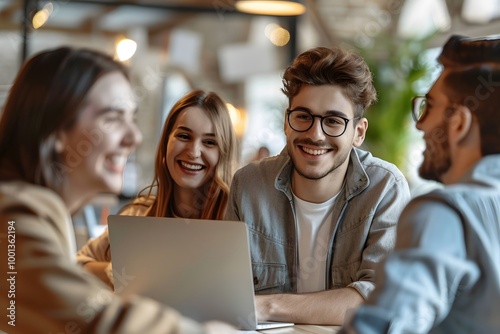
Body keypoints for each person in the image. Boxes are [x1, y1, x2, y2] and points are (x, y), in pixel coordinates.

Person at [0, 47, 234, 333]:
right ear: (56, 129)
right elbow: (99, 320)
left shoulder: (34, 212)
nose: (134, 137)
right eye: (112, 117)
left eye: (131, 117)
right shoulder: (13, 217)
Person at [225, 46, 411, 325]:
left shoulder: (385, 188)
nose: (315, 134)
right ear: (287, 122)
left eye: (333, 121)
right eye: (303, 116)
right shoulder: (248, 185)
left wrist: (267, 306)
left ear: (358, 132)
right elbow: (226, 289)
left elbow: (377, 299)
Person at [341, 35, 500, 333]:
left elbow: (382, 327)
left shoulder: (446, 213)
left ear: (460, 124)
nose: (420, 124)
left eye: (431, 106)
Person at [77, 89, 238, 288]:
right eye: (184, 136)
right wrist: (119, 273)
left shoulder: (238, 218)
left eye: (209, 142)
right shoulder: (139, 214)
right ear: (165, 144)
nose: (194, 152)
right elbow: (77, 265)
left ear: (224, 152)